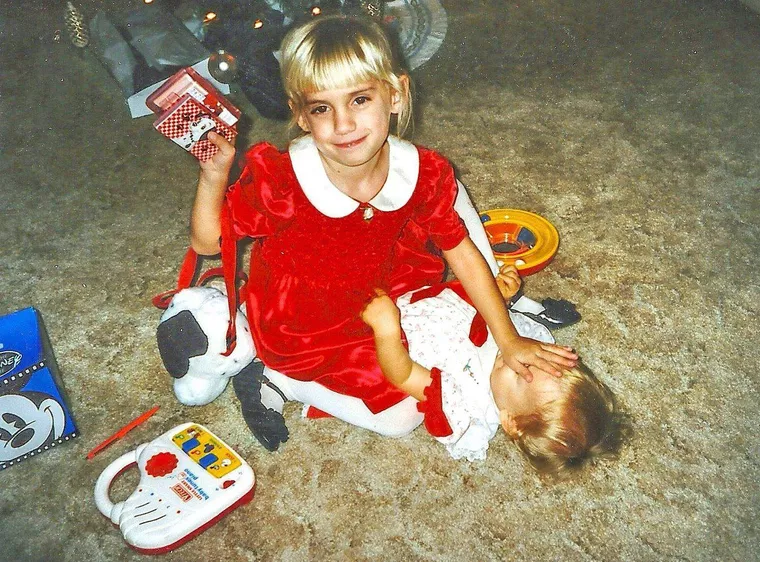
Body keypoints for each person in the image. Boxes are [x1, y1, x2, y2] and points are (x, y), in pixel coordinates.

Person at [189, 15, 577, 449]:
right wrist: (214, 174)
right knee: (404, 413)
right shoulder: (282, 179)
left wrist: (507, 339)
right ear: (300, 116)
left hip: (394, 285)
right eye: (321, 108)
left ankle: (504, 302)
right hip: (309, 321)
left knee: (449, 192)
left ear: (395, 95)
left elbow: (460, 250)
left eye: (359, 100)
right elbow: (208, 243)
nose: (343, 125)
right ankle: (281, 381)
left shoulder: (421, 169)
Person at [360, 265, 627, 474]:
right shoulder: (521, 348)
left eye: (519, 375)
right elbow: (489, 321)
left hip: (375, 335)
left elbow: (404, 374)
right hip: (419, 292)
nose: (514, 359)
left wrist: (386, 329)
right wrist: (501, 298)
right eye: (539, 357)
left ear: (510, 421)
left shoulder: (464, 403)